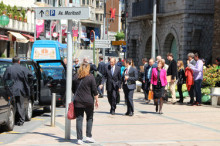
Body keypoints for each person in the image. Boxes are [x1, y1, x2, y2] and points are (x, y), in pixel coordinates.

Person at [72, 63, 99, 145]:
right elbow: (94, 90)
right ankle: (88, 136)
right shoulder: (90, 77)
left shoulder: (75, 77)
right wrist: (97, 100)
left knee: (79, 119)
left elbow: (73, 89)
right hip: (88, 101)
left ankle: (79, 139)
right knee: (90, 118)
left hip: (78, 101)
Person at [3, 56, 33, 126]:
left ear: (12, 61)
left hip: (11, 89)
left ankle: (13, 119)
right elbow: (31, 76)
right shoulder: (23, 68)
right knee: (20, 104)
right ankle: (21, 120)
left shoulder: (9, 69)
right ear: (19, 61)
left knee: (11, 104)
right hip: (21, 89)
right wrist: (28, 82)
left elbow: (4, 79)